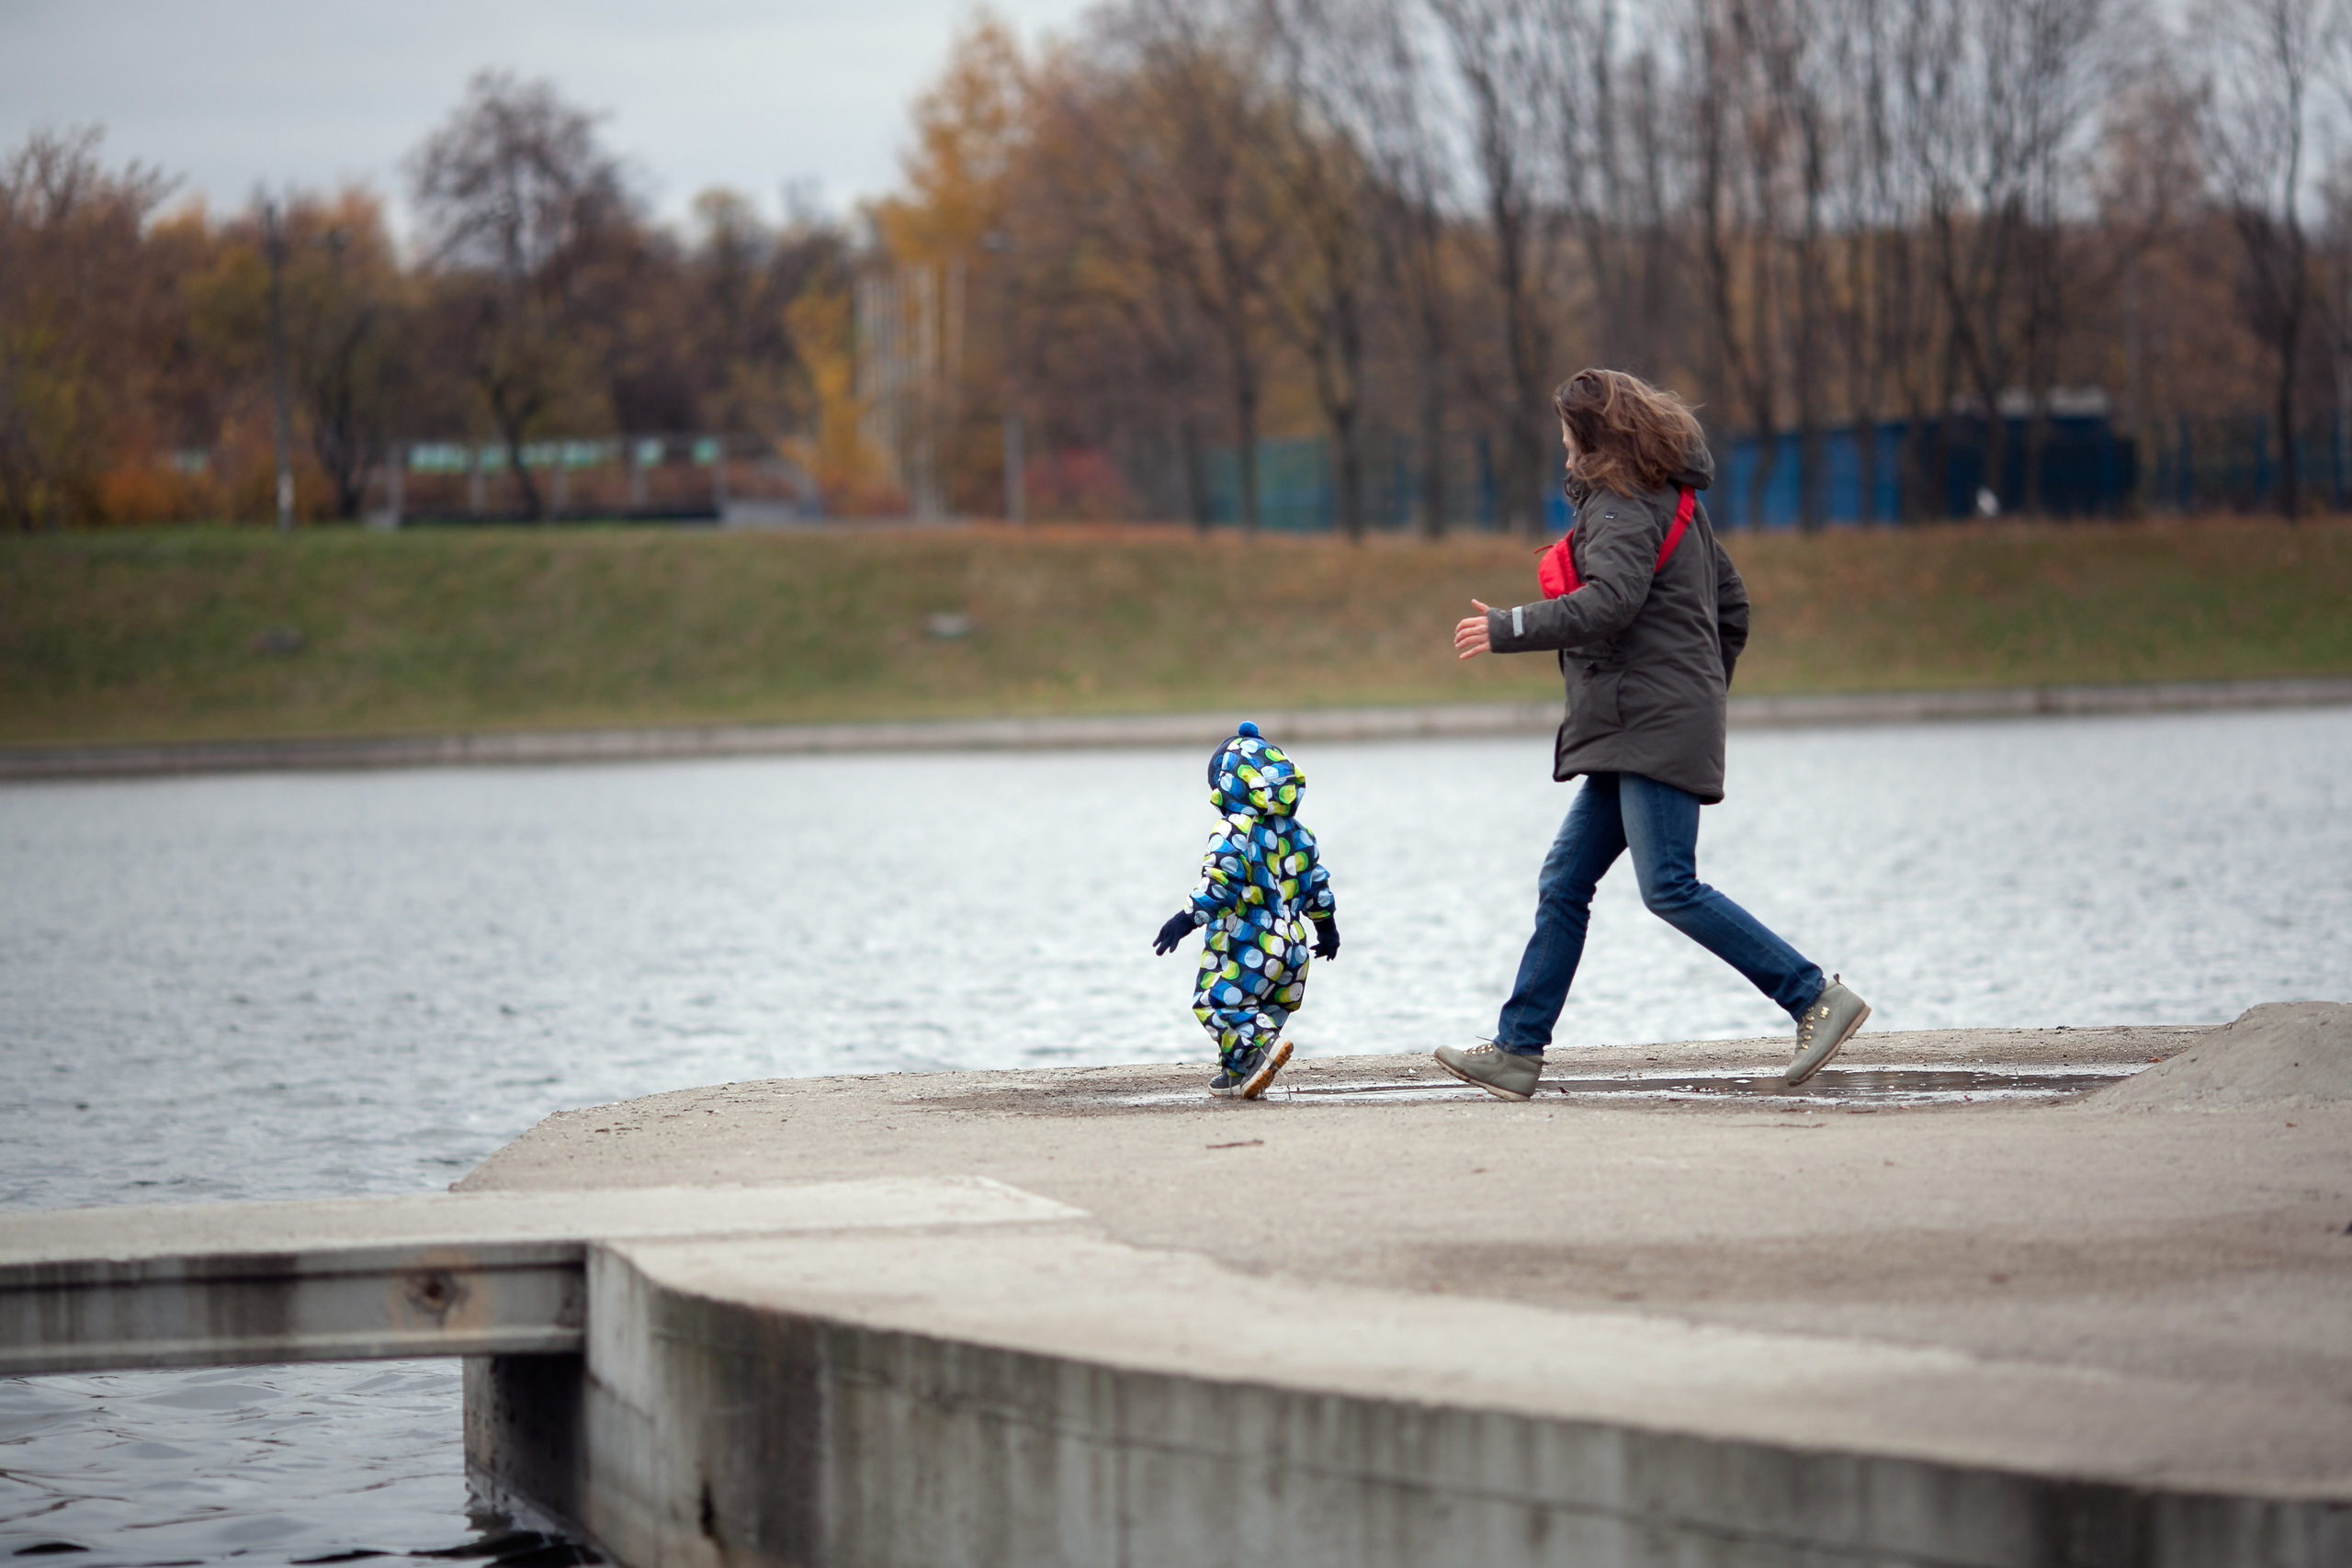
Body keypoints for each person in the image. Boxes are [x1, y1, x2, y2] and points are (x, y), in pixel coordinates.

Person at [1440, 367, 1868, 1100]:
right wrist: (1697, 692)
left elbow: (1609, 601)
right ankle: (1516, 1051)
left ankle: (1813, 997)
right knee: (1564, 880)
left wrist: (1512, 626)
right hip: (1641, 724)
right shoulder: (1671, 502)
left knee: (1668, 885)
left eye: (1567, 433)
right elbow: (1732, 608)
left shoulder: (1622, 507)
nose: (1563, 445)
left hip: (1648, 723)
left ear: (1590, 436)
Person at [1151, 722, 1340, 1099]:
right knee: (1259, 1007)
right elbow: (1317, 885)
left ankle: (1262, 1048)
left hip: (1248, 941)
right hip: (1293, 949)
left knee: (1216, 1002)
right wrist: (1328, 930)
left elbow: (1220, 884)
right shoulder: (1299, 833)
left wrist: (1184, 919)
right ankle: (1238, 1072)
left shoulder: (1235, 828)